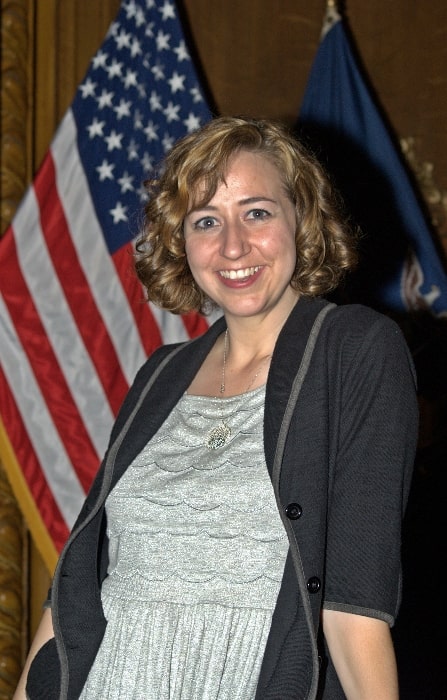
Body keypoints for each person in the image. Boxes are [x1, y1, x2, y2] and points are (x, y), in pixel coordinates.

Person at [15, 116, 418, 700]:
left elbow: (355, 606)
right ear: (183, 243)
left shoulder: (354, 352)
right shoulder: (162, 373)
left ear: (301, 219)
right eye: (207, 222)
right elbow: (78, 580)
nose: (233, 246)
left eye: (257, 212)